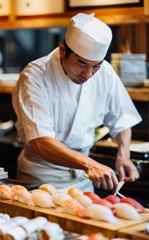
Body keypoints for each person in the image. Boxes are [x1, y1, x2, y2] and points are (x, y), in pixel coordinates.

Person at [12, 13, 142, 193]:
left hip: (83, 179)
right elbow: (40, 142)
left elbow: (121, 119)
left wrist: (124, 155)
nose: (88, 74)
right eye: (81, 63)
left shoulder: (105, 72)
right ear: (62, 50)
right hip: (41, 179)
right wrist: (89, 164)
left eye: (96, 65)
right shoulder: (35, 75)